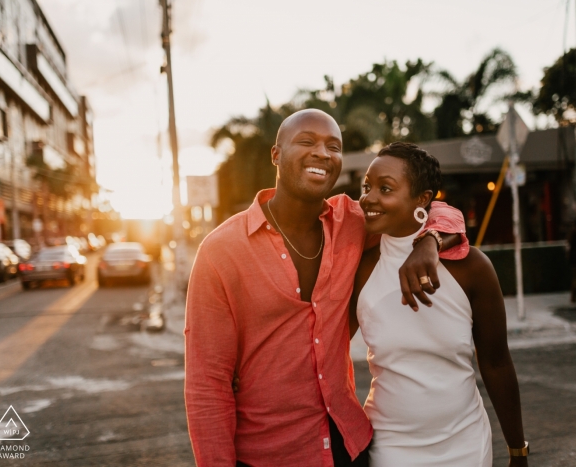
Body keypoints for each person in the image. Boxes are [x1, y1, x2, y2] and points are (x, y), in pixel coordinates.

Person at [184, 109, 469, 467]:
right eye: (307, 141)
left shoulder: (353, 222)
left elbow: (435, 208)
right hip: (267, 455)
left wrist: (430, 240)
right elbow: (206, 386)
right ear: (276, 154)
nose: (322, 153)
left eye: (333, 146)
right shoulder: (221, 250)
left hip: (348, 446)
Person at [349, 142, 528, 467]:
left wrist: (518, 450)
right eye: (367, 186)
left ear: (422, 199)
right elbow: (323, 348)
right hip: (389, 446)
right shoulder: (360, 270)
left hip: (465, 444)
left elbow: (497, 363)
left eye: (385, 188)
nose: (368, 198)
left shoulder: (472, 268)